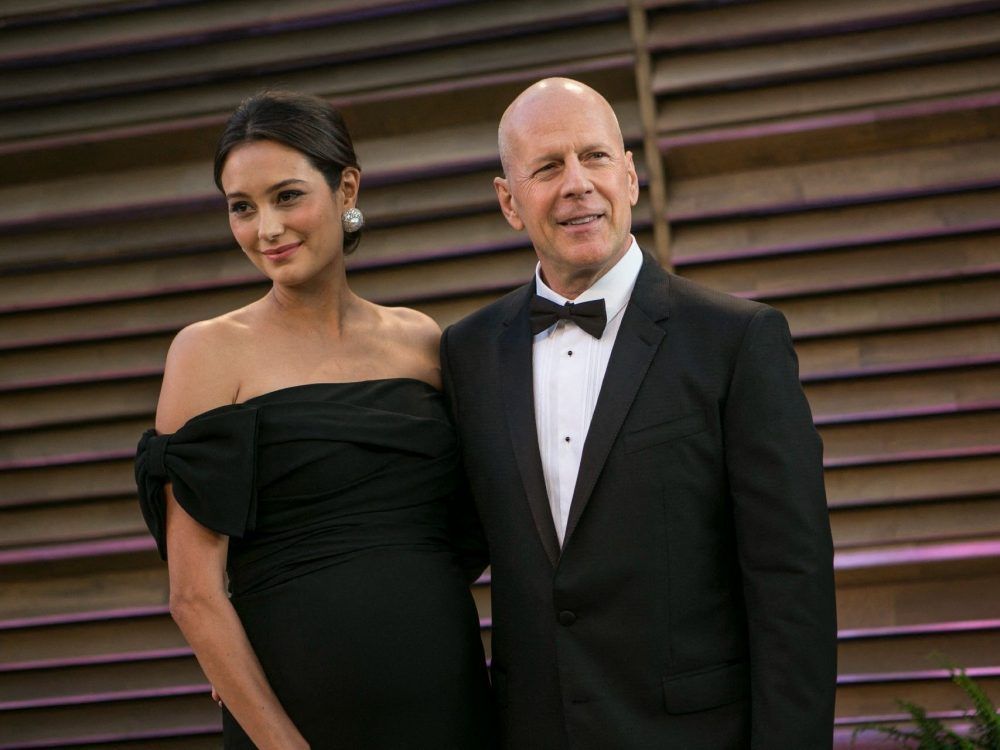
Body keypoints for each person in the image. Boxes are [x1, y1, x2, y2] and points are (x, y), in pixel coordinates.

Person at [439, 77, 837, 749]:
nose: (576, 184)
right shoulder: (467, 352)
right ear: (509, 201)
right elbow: (443, 546)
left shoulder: (736, 340)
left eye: (594, 157)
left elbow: (790, 584)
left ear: (629, 177)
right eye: (546, 167)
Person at [134, 91, 494, 749]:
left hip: (447, 698)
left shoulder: (421, 342)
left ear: (346, 186)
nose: (266, 229)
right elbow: (193, 595)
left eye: (287, 197)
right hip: (296, 719)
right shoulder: (207, 353)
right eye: (242, 207)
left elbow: (468, 526)